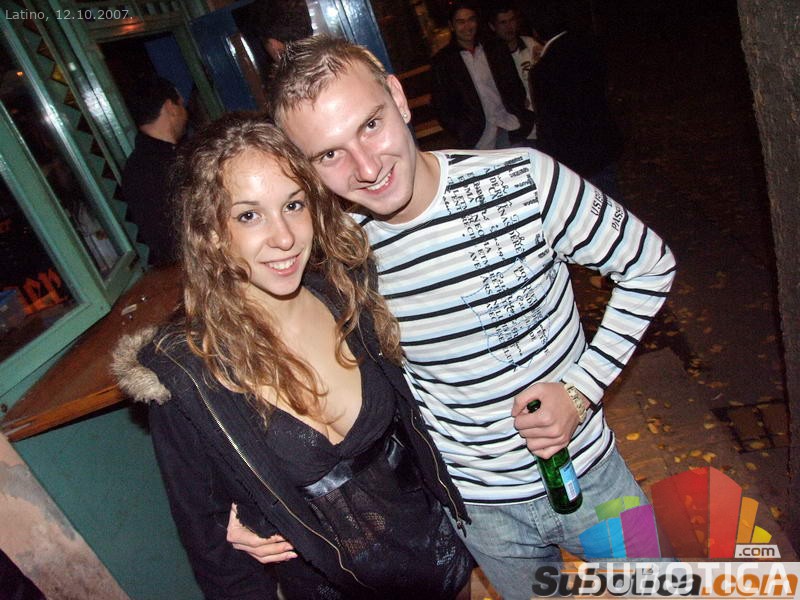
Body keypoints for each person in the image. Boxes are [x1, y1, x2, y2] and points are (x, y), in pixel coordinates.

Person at [228, 36, 677, 600]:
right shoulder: (338, 252)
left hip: (594, 475)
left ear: (398, 98)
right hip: (479, 512)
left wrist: (581, 390)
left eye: (371, 125)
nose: (367, 167)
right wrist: (244, 500)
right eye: (329, 155)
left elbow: (650, 265)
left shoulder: (524, 179)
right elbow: (248, 338)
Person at [112, 113, 473, 599]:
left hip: (440, 564)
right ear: (210, 230)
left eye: (293, 205)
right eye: (249, 215)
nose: (284, 238)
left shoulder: (349, 296)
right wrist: (256, 512)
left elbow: (423, 419)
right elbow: (214, 554)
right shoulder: (187, 375)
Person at [527, 6, 625, 197]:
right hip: (602, 140)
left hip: (575, 154)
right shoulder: (588, 46)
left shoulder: (543, 70)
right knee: (611, 198)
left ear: (536, 32)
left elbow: (549, 121)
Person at [430, 0, 535, 150]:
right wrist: (461, 129)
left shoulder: (495, 48)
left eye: (471, 20)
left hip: (509, 124)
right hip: (477, 136)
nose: (467, 26)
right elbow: (442, 105)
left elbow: (514, 83)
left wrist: (518, 110)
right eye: (461, 22)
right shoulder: (443, 62)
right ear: (452, 26)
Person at [120, 76, 188, 266]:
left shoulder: (136, 168)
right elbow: (170, 242)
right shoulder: (151, 169)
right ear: (170, 107)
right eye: (181, 105)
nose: (185, 113)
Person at [487, 4, 543, 112]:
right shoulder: (490, 57)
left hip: (540, 109)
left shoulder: (530, 44)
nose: (509, 26)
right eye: (503, 22)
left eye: (512, 20)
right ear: (492, 26)